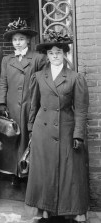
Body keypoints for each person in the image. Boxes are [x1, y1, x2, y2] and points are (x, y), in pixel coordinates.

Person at [25, 30, 89, 223]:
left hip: (66, 130)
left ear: (65, 54)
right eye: (51, 53)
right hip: (42, 131)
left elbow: (80, 109)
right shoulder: (38, 76)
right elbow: (33, 105)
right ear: (47, 55)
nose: (55, 56)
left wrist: (78, 134)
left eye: (59, 53)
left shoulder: (75, 78)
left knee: (70, 172)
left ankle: (73, 211)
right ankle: (44, 211)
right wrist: (31, 129)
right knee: (43, 171)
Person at [0, 18, 46, 185]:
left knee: (28, 137)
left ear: (28, 40)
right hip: (11, 105)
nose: (18, 43)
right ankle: (13, 172)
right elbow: (3, 82)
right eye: (15, 40)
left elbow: (43, 83)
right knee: (13, 139)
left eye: (21, 39)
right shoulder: (7, 60)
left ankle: (27, 172)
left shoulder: (38, 59)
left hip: (30, 104)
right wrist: (1, 103)